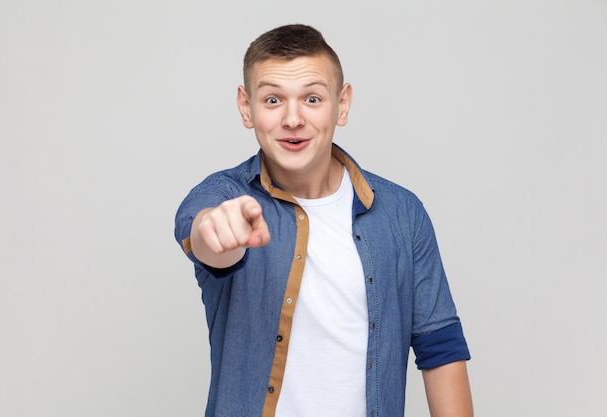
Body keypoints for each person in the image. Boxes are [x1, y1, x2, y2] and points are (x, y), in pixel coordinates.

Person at [175, 23, 473, 417]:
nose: (293, 119)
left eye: (312, 98)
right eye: (272, 100)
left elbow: (441, 346)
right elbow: (207, 240)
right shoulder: (224, 197)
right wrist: (217, 231)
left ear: (342, 103)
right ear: (246, 107)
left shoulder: (403, 213)